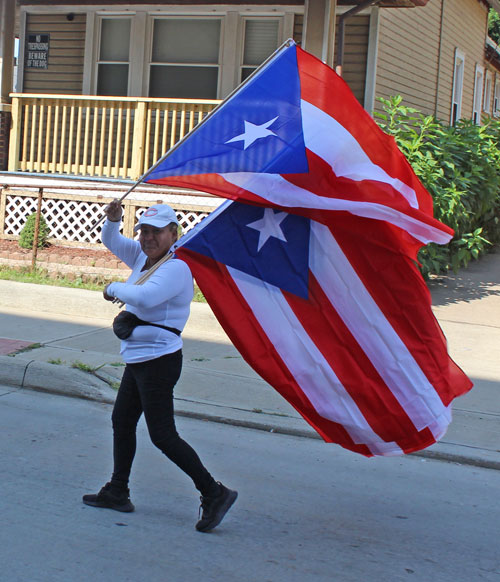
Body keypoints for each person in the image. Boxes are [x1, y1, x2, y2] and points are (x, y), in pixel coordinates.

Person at [82, 200, 237, 533]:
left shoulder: (175, 268)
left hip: (159, 362)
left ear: (173, 233)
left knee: (163, 435)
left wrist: (112, 289)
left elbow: (146, 298)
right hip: (138, 359)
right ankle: (118, 490)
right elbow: (112, 241)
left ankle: (214, 492)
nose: (148, 238)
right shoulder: (143, 258)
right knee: (122, 421)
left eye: (156, 232)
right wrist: (114, 220)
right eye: (144, 232)